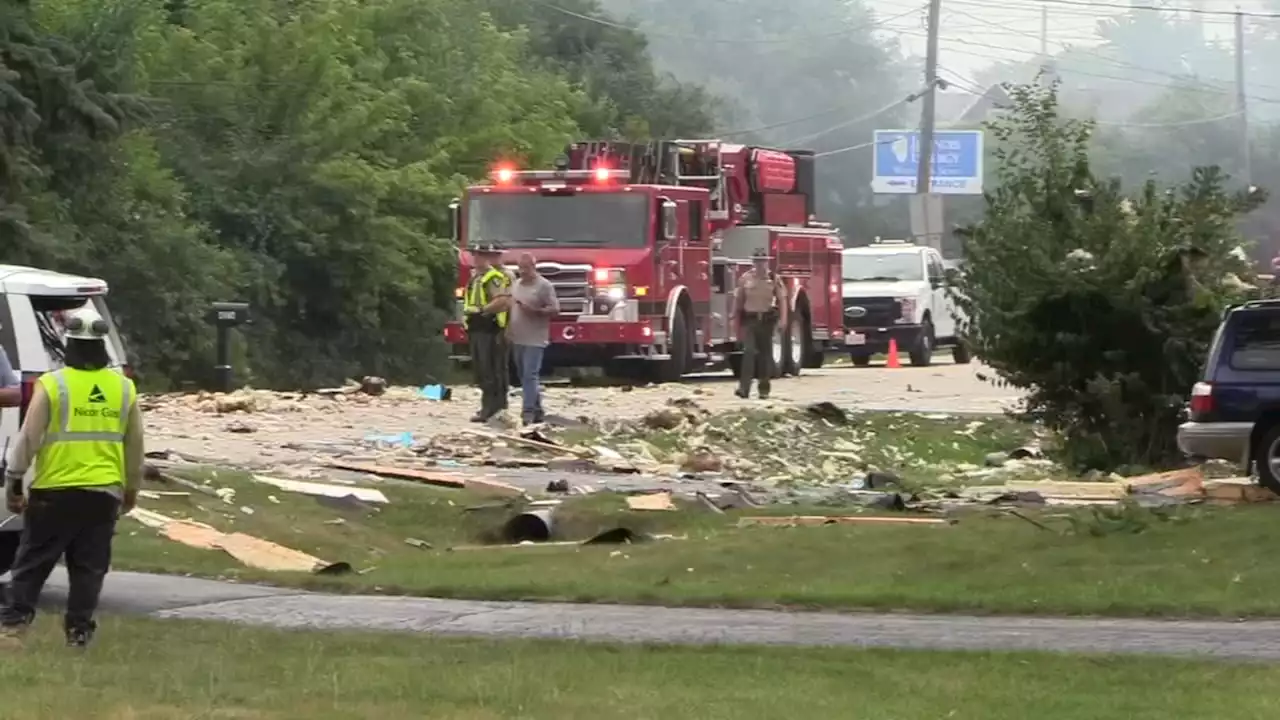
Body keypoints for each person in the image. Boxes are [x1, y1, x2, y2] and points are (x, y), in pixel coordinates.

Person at [0, 305, 144, 649]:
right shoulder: (124, 388)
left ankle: (13, 629)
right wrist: (131, 489)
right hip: (103, 492)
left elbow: (27, 440)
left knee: (32, 562)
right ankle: (79, 633)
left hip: (54, 490)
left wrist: (14, 484)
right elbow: (135, 447)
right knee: (89, 567)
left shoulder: (53, 385)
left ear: (69, 345)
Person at [463, 243, 513, 422]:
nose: (475, 259)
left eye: (478, 256)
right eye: (474, 255)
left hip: (490, 328)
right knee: (481, 369)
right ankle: (487, 407)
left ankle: (494, 408)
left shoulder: (494, 278)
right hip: (476, 328)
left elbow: (503, 301)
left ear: (486, 258)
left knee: (492, 369)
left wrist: (482, 310)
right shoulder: (475, 277)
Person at [508, 253, 559, 425]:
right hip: (517, 336)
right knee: (523, 375)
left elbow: (555, 309)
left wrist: (535, 311)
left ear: (533, 267)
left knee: (530, 374)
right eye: (520, 268)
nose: (522, 272)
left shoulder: (544, 286)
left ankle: (527, 412)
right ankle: (537, 410)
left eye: (526, 268)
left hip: (535, 337)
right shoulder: (515, 285)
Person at [733, 248, 788, 400]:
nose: (759, 264)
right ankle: (744, 389)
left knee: (765, 356)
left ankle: (764, 389)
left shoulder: (774, 279)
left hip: (766, 320)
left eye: (762, 261)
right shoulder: (745, 278)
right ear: (753, 262)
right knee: (748, 353)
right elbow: (738, 302)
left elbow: (782, 300)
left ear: (767, 262)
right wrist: (735, 323)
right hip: (750, 320)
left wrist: (783, 320)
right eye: (756, 261)